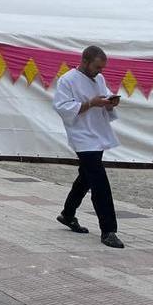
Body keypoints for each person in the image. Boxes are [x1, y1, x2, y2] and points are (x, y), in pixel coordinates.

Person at [53, 45, 124, 249]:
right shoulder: (67, 80)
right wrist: (91, 104)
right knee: (99, 181)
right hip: (82, 136)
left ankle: (68, 214)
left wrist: (110, 102)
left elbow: (104, 98)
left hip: (97, 132)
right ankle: (108, 229)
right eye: (97, 67)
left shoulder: (99, 79)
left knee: (86, 176)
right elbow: (63, 108)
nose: (100, 71)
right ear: (85, 61)